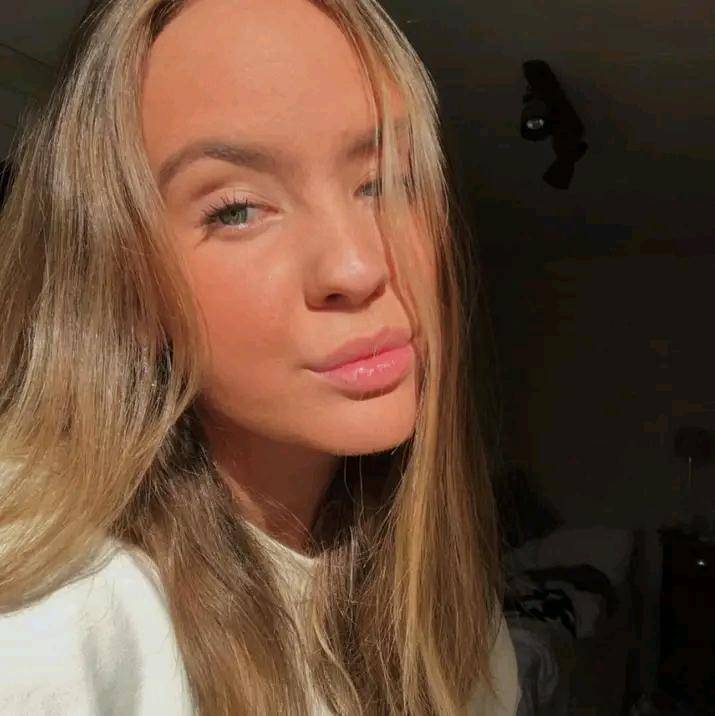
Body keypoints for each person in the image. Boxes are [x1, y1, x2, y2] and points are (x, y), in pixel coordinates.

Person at [0, 0, 520, 714]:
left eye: (384, 181)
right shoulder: (59, 612)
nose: (356, 266)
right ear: (125, 286)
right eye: (236, 209)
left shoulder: (457, 618)